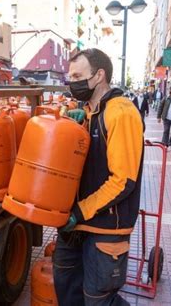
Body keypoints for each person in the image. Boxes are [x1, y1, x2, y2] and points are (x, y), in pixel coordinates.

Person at [57, 48, 144, 306]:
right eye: (69, 76)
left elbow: (123, 181)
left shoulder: (121, 113)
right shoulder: (85, 111)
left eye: (77, 75)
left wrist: (80, 212)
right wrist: (74, 127)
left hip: (104, 228)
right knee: (67, 291)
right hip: (74, 225)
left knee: (98, 300)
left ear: (99, 76)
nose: (72, 82)